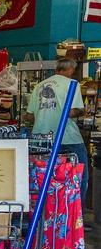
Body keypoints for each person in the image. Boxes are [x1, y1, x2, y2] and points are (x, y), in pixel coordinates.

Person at [25, 57, 89, 198]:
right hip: (67, 138)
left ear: (56, 69)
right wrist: (81, 111)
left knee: (43, 179)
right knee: (78, 177)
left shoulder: (39, 85)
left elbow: (29, 116)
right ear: (71, 69)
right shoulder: (73, 84)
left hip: (41, 139)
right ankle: (76, 215)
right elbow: (72, 111)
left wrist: (45, 115)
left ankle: (46, 213)